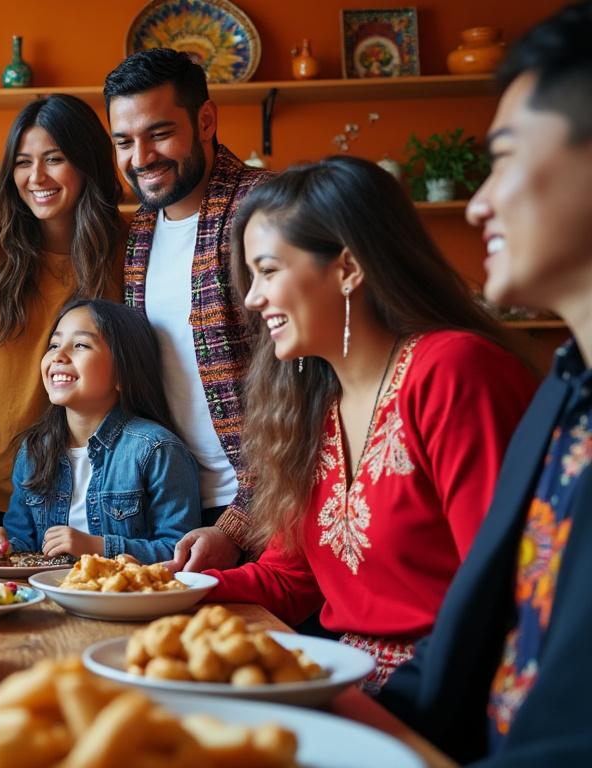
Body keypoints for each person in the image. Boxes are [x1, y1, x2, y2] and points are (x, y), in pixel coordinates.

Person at [203, 156, 537, 694]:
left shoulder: (453, 371)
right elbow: (288, 580)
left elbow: (498, 590)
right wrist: (159, 587)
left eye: (267, 270)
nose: (251, 298)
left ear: (348, 267)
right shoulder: (309, 406)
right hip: (352, 688)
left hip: (455, 695)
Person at [378, 4, 592, 763]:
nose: (476, 203)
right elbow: (474, 629)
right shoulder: (565, 389)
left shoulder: (458, 369)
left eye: (502, 157)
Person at [103, 48, 272, 571]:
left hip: (267, 511)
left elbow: (308, 385)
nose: (141, 157)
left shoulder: (263, 208)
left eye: (158, 133)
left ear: (205, 121)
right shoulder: (141, 232)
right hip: (170, 507)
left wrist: (238, 523)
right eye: (124, 142)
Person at [0, 94, 125, 546]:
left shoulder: (127, 246)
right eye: (23, 162)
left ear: (87, 163)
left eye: (55, 159)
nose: (36, 177)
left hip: (101, 488)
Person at [0, 299, 200, 561]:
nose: (58, 356)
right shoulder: (34, 450)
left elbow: (179, 551)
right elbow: (24, 542)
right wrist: (2, 547)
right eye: (54, 345)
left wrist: (96, 547)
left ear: (121, 372)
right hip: (50, 598)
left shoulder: (157, 449)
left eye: (80, 345)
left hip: (124, 600)